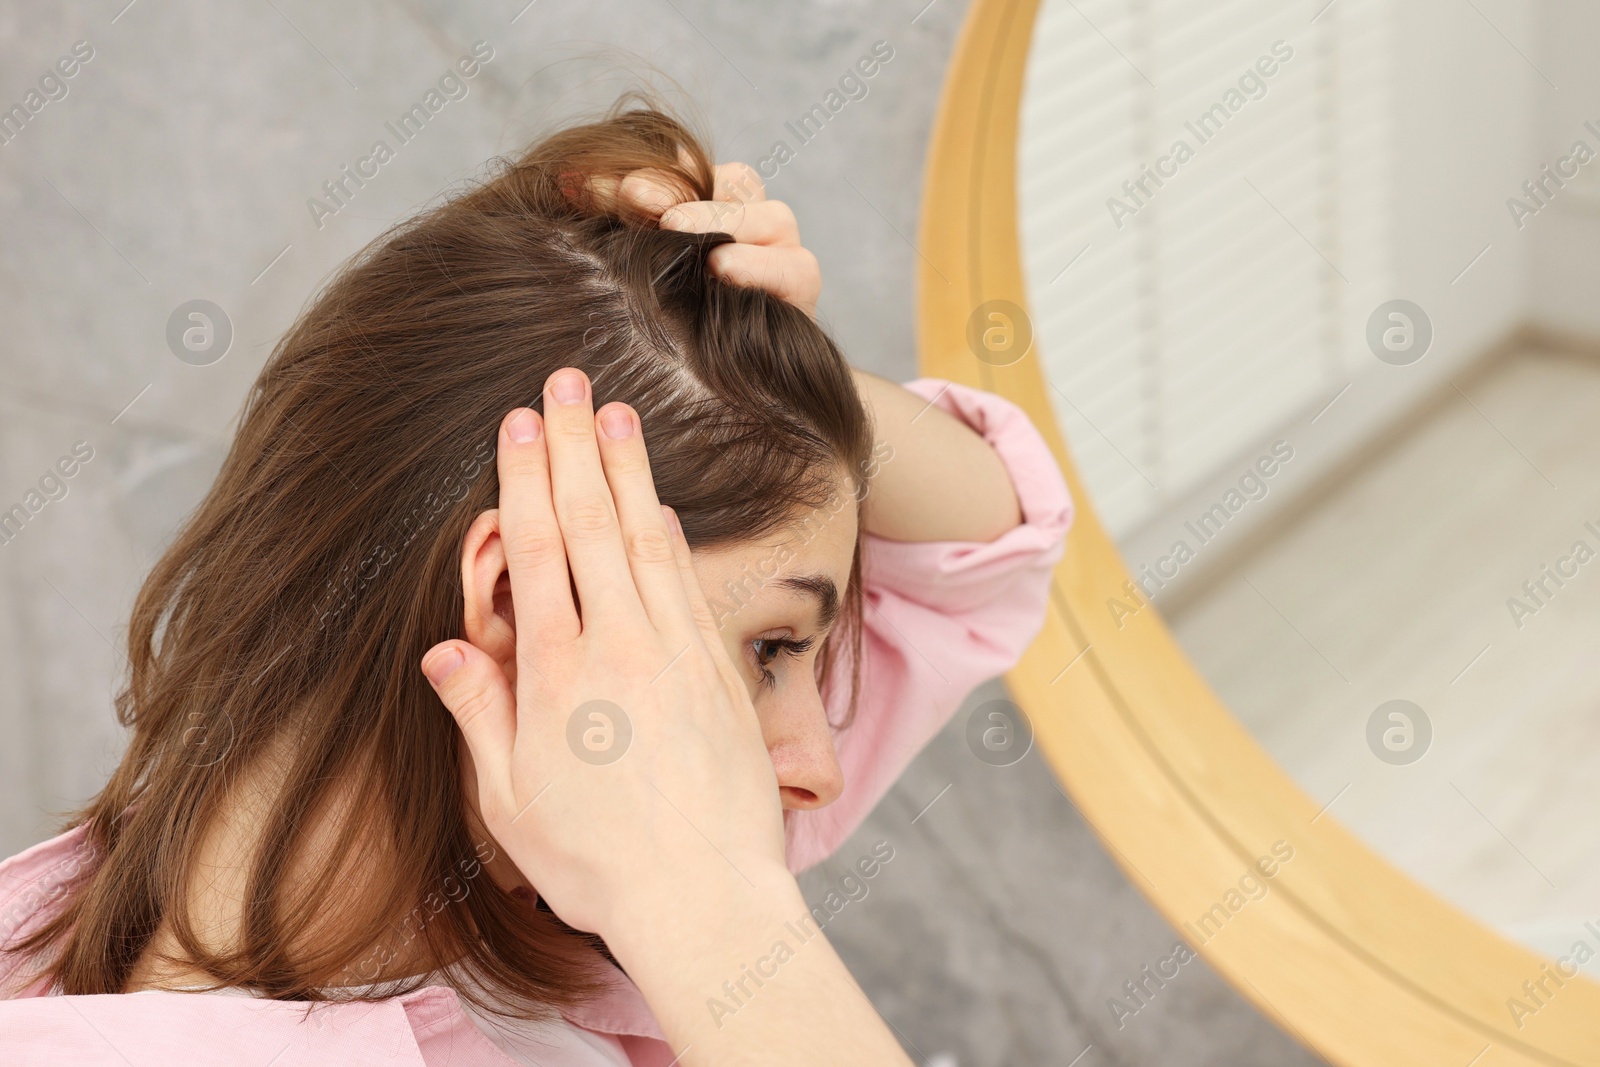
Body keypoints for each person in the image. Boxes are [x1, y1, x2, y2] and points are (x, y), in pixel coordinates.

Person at [0, 95, 1072, 1064]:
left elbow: (976, 545)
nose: (817, 764)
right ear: (517, 603)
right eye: (771, 650)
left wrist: (728, 355)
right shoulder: (654, 857)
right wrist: (707, 911)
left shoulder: (551, 856)